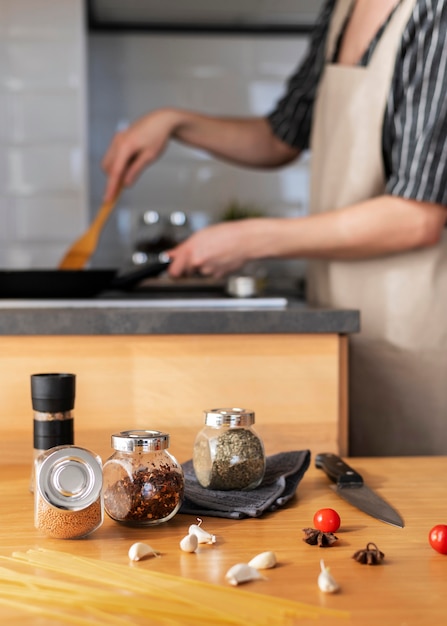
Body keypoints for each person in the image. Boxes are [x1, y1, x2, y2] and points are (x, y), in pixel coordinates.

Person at [102, 0, 447, 457]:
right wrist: (173, 122)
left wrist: (251, 238)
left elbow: (417, 216)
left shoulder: (435, 12)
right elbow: (280, 137)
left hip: (418, 322)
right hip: (340, 314)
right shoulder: (342, 8)